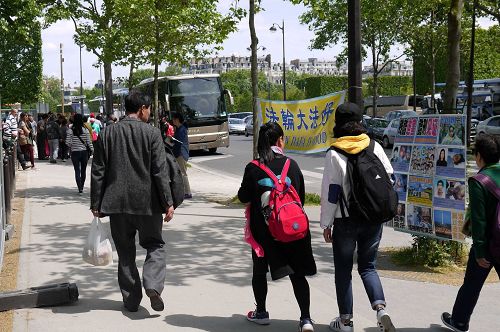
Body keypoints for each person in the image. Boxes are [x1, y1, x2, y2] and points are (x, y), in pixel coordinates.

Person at [91, 90, 174, 313]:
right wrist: (168, 202)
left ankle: (130, 300)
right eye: (149, 109)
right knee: (155, 244)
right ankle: (153, 285)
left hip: (116, 204)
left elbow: (98, 170)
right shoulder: (152, 133)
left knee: (125, 252)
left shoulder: (108, 133)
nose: (149, 113)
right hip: (148, 204)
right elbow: (159, 171)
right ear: (142, 109)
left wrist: (96, 203)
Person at [320, 102, 395, 332]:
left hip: (346, 220)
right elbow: (390, 179)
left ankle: (345, 322)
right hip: (373, 218)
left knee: (343, 270)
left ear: (338, 124)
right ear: (360, 121)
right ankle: (381, 309)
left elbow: (331, 193)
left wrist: (326, 223)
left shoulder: (334, 152)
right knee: (368, 266)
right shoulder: (374, 146)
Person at [238, 122, 317, 332]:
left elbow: (243, 197)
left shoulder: (253, 167)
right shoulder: (292, 165)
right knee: (297, 273)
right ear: (280, 140)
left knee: (259, 271)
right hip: (291, 228)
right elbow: (299, 197)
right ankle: (306, 319)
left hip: (263, 232)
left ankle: (261, 312)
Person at [442, 133, 500, 332]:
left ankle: (459, 321)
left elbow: (479, 219)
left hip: (489, 245)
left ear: (479, 156)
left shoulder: (479, 181)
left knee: (472, 284)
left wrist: (481, 251)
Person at [67, 114, 93, 193]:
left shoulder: (70, 130)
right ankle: (82, 186)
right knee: (83, 170)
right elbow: (89, 142)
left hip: (75, 152)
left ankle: (79, 188)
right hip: (84, 152)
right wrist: (92, 150)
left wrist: (73, 144)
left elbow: (68, 143)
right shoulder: (85, 130)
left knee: (77, 170)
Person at [172, 112, 192, 199]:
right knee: (182, 173)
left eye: (173, 119)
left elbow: (178, 143)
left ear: (177, 120)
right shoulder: (181, 129)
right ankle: (185, 191)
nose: (172, 120)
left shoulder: (181, 129)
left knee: (183, 173)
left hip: (181, 154)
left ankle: (188, 192)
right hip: (182, 153)